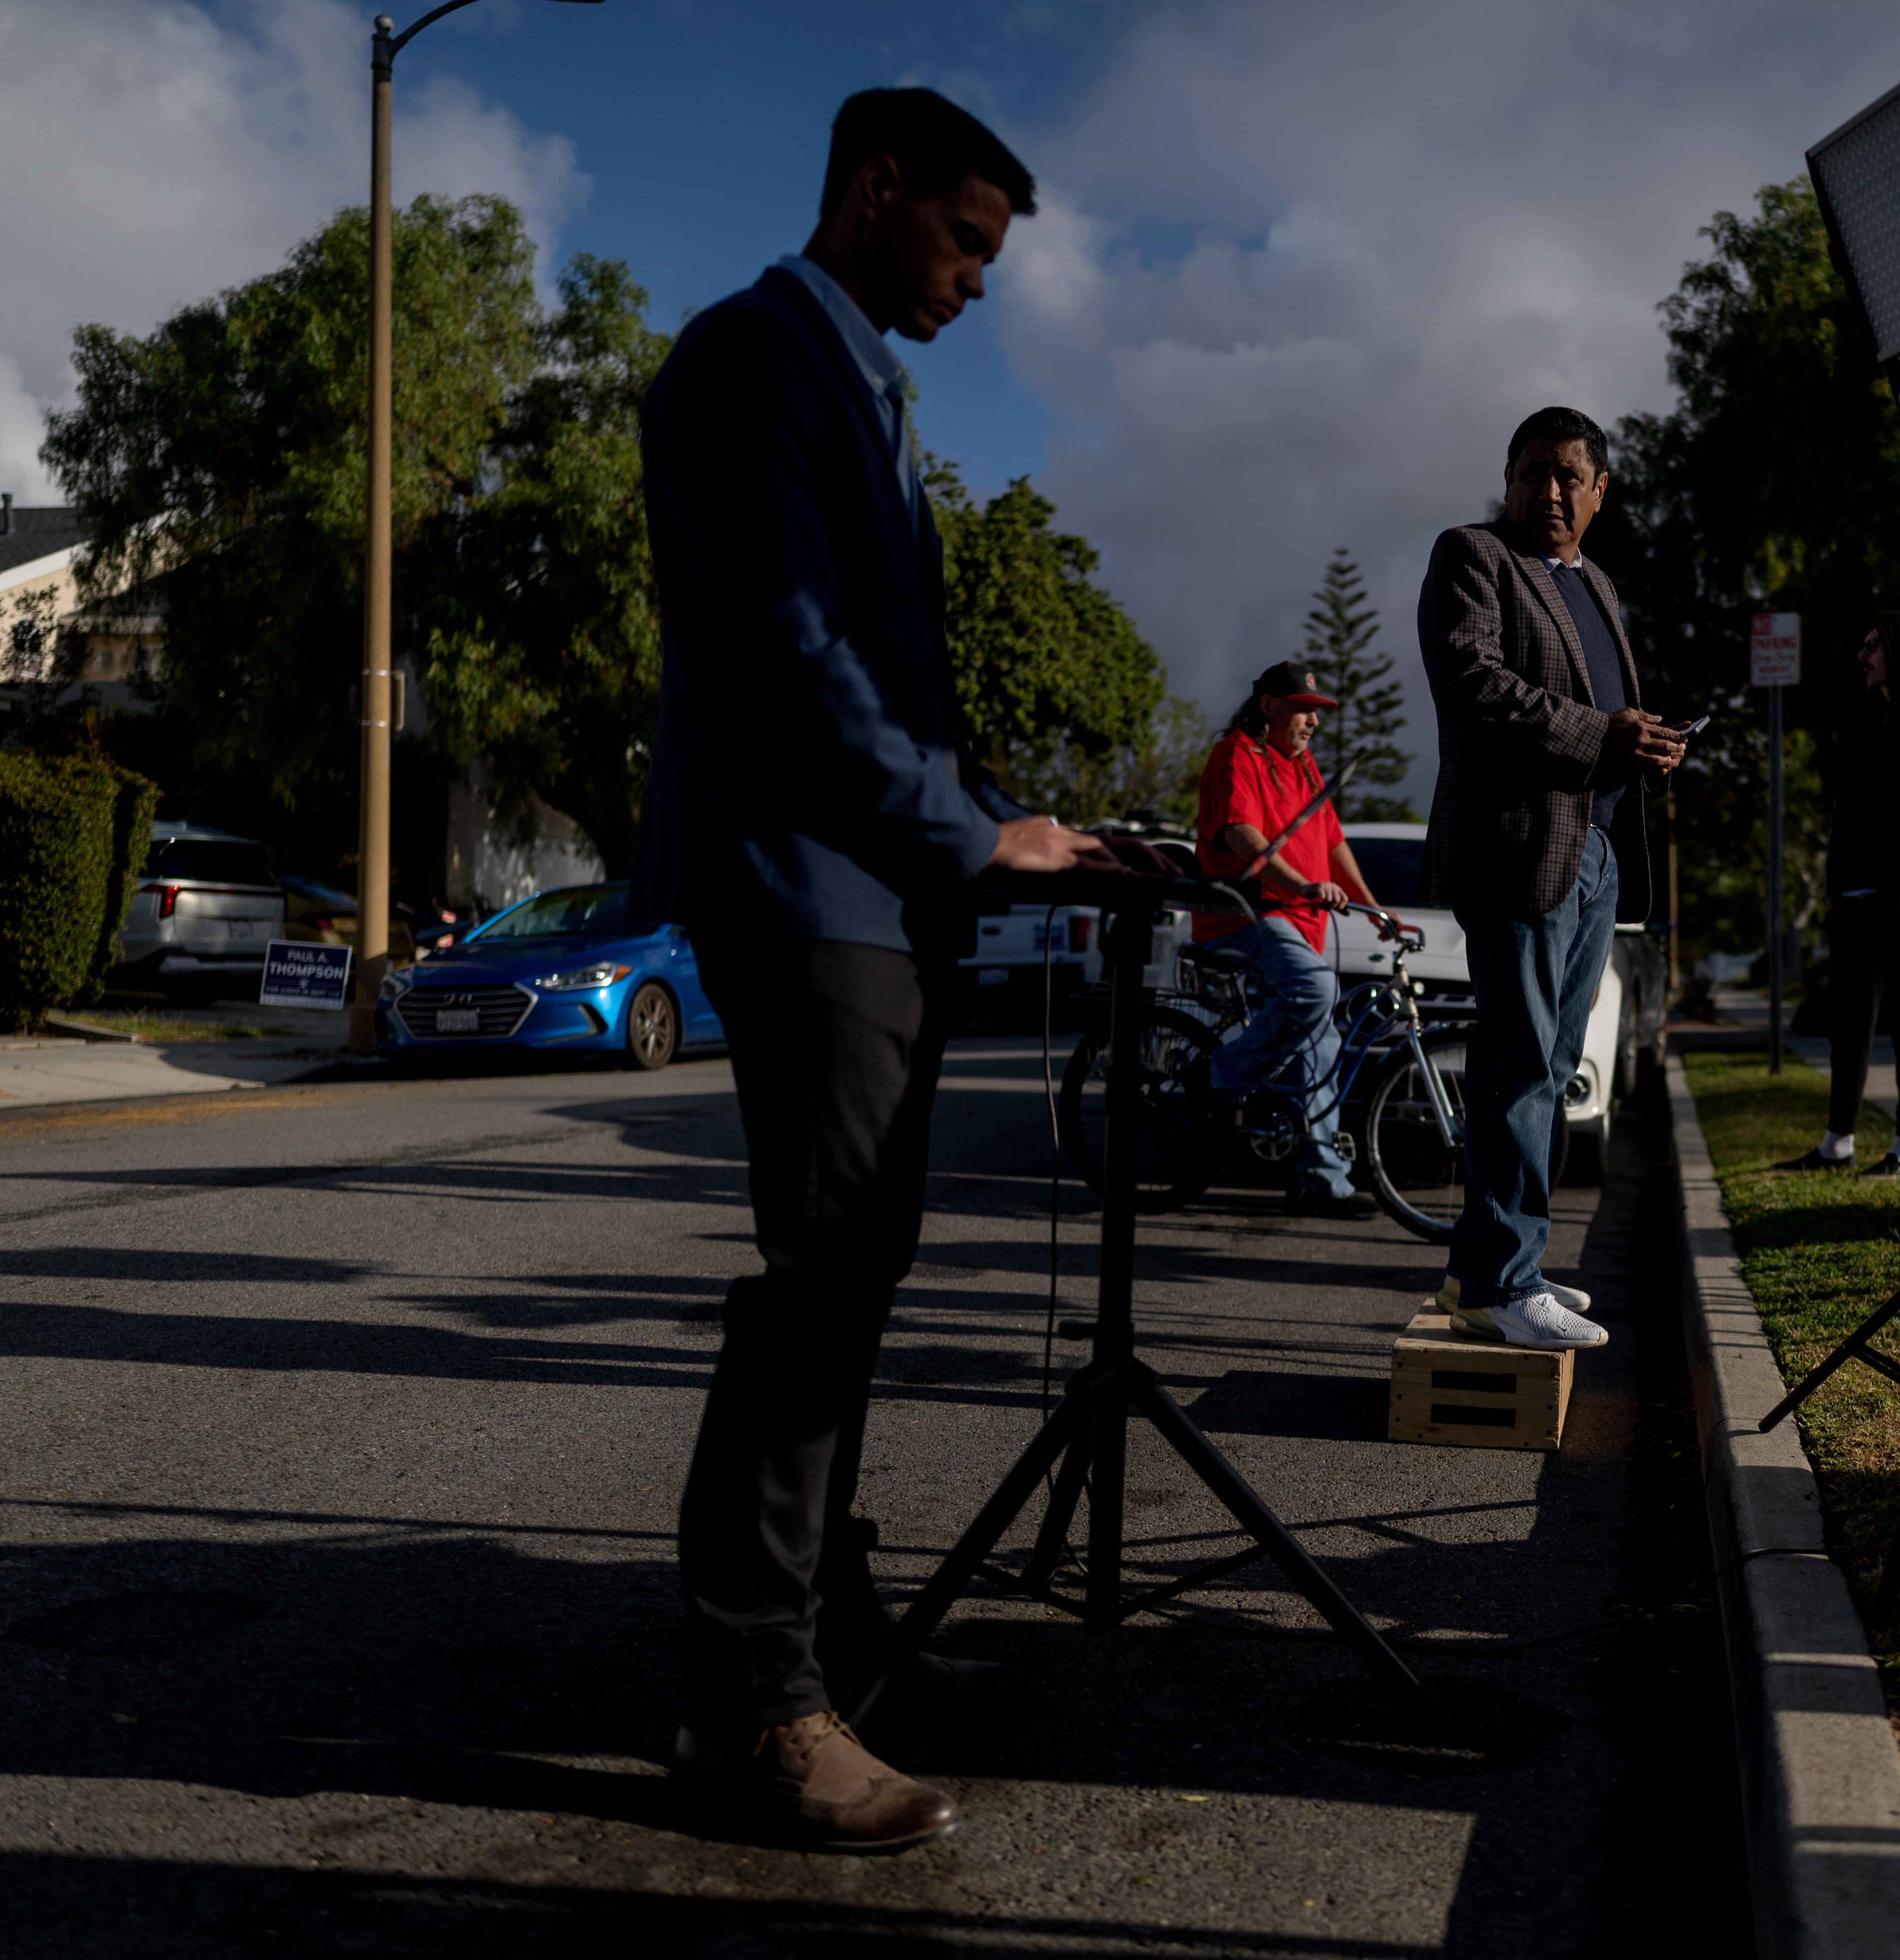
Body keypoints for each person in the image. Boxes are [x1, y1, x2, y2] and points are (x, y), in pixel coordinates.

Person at [631, 88, 1122, 1854]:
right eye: (966, 243)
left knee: (857, 1270)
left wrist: (1013, 819)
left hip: (874, 884)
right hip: (803, 883)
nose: (979, 281)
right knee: (823, 1281)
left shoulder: (863, 383)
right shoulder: (749, 358)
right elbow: (789, 652)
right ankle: (752, 1703)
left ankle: (826, 1648)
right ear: (875, 187)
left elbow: (900, 688)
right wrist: (962, 831)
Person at [1416, 406, 1686, 1351]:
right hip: (1518, 847)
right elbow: (1471, 681)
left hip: (1600, 849)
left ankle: (1488, 1265)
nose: (1551, 491)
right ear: (1510, 475)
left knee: (1552, 1065)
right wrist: (1602, 734)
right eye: (1534, 472)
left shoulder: (1598, 584)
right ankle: (1503, 1279)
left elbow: (1602, 709)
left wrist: (1643, 742)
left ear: (1601, 492)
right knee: (1518, 1068)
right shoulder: (1474, 557)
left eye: (1571, 476)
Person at [1191, 660, 1397, 1216]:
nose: (1313, 722)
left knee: (1322, 1045)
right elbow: (1240, 835)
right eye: (1304, 709)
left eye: (1317, 713)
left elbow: (1334, 845)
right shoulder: (1238, 755)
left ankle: (1321, 1182)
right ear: (1269, 706)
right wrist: (1303, 885)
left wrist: (1375, 909)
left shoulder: (1302, 767)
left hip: (1296, 924)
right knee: (1316, 992)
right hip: (1244, 915)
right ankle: (1221, 1077)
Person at [1782, 612, 1900, 1176]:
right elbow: (1842, 815)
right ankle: (1837, 1143)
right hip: (1855, 903)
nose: (1861, 656)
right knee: (1849, 1030)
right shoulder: (1868, 722)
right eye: (1862, 646)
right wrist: (1836, 892)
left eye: (1873, 646)